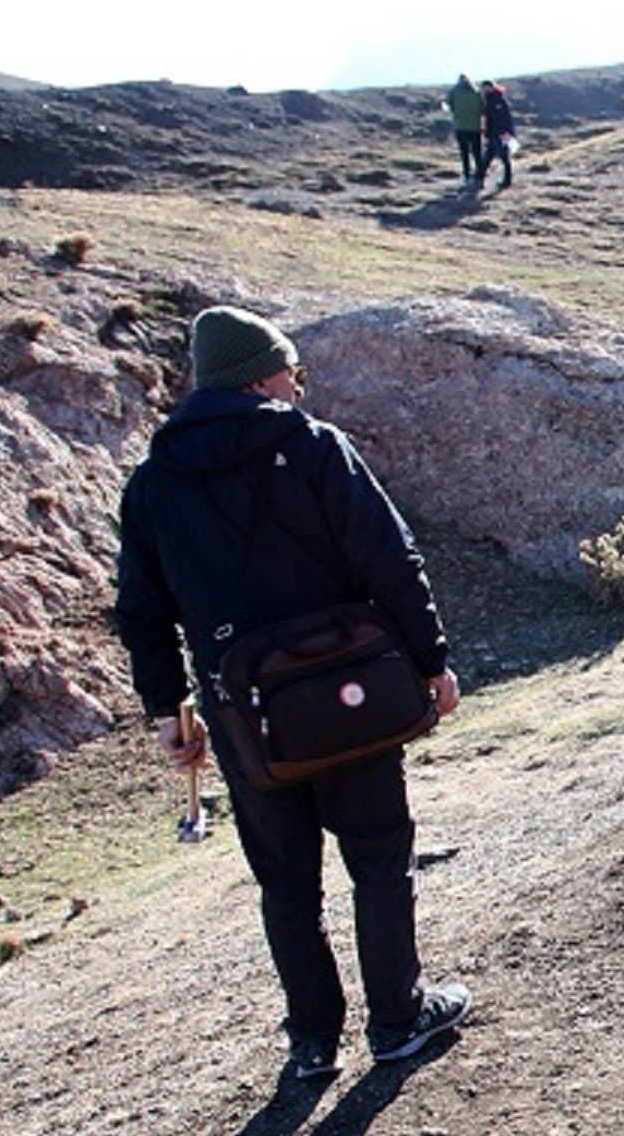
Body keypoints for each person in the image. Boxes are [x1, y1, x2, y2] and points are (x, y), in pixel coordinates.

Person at [114, 307, 471, 1081]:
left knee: (285, 880)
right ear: (262, 375)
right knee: (378, 856)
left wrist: (167, 712)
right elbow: (391, 560)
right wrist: (431, 660)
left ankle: (312, 1040)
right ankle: (398, 1017)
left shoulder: (153, 484)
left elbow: (143, 613)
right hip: (352, 699)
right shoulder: (314, 448)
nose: (297, 387)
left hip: (244, 721)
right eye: (292, 373)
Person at [444, 73, 485, 183]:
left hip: (460, 126)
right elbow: (482, 108)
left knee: (464, 153)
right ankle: (480, 177)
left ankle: (467, 176)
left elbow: (447, 105)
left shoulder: (454, 91)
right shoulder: (476, 92)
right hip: (475, 127)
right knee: (477, 153)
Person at [479, 80, 516, 189]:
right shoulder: (491, 99)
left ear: (490, 87)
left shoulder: (496, 100)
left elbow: (500, 119)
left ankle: (507, 181)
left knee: (503, 158)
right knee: (489, 158)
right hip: (495, 134)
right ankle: (480, 178)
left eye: (484, 88)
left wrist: (503, 132)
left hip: (499, 134)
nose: (483, 90)